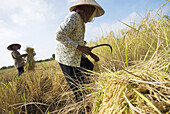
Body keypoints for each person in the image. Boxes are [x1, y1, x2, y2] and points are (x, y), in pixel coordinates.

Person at [55, 0, 105, 103]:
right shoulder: (73, 16)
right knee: (77, 88)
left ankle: (87, 89)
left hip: (76, 55)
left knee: (89, 67)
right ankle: (83, 106)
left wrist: (91, 54)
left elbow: (79, 42)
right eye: (92, 12)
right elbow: (59, 35)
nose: (92, 16)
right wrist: (80, 48)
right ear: (85, 9)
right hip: (66, 57)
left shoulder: (80, 21)